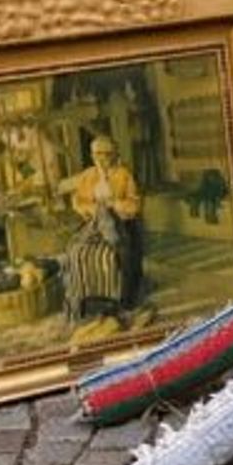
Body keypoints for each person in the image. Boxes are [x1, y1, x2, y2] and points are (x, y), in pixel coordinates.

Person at [59, 132, 145, 323]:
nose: (102, 158)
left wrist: (114, 205)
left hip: (121, 223)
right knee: (76, 252)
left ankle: (118, 301)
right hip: (93, 222)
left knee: (112, 254)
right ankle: (87, 300)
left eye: (106, 154)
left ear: (114, 155)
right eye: (97, 154)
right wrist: (93, 210)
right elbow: (77, 202)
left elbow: (134, 204)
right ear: (92, 155)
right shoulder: (88, 176)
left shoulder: (124, 175)